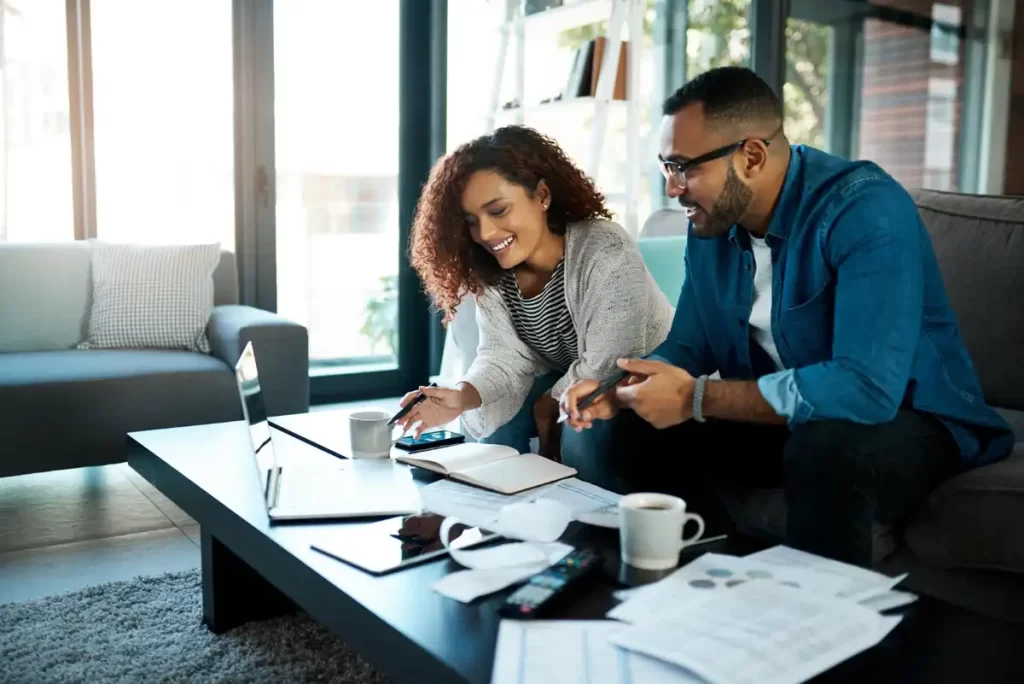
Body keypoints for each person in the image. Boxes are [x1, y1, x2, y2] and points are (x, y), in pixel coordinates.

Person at [561, 66, 1015, 566]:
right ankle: (708, 570)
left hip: (911, 421)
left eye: (685, 167)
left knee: (828, 447)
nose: (673, 188)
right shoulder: (714, 223)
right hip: (786, 421)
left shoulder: (864, 210)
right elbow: (690, 345)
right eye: (666, 166)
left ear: (751, 156)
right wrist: (622, 390)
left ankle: (816, 627)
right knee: (624, 431)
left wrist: (695, 397)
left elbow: (865, 390)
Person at [397, 125, 673, 487]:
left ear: (542, 195)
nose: (486, 234)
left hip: (642, 380)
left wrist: (548, 405)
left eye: (498, 210)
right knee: (495, 419)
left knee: (581, 429)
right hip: (568, 378)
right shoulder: (492, 272)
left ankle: (591, 525)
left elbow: (610, 361)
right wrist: (460, 397)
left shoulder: (604, 247)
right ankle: (502, 513)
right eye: (471, 221)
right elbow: (502, 356)